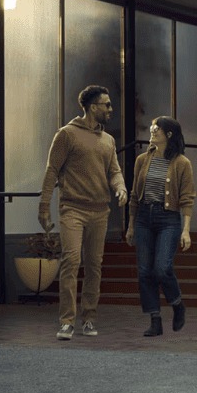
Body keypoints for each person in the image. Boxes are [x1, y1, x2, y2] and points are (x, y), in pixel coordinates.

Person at [39, 85, 127, 340]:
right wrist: (44, 206)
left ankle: (89, 318)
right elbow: (51, 170)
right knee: (71, 260)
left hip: (100, 211)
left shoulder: (108, 140)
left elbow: (114, 171)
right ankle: (67, 321)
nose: (111, 109)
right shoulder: (66, 135)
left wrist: (120, 188)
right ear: (92, 107)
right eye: (106, 104)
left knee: (94, 266)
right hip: (73, 209)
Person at [125, 116, 194, 337]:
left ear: (169, 135)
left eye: (157, 129)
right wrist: (131, 226)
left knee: (162, 268)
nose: (152, 131)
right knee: (144, 270)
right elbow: (135, 195)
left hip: (169, 220)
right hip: (144, 218)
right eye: (152, 128)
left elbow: (187, 198)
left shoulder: (182, 163)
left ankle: (177, 304)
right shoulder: (142, 160)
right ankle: (155, 319)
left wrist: (186, 230)